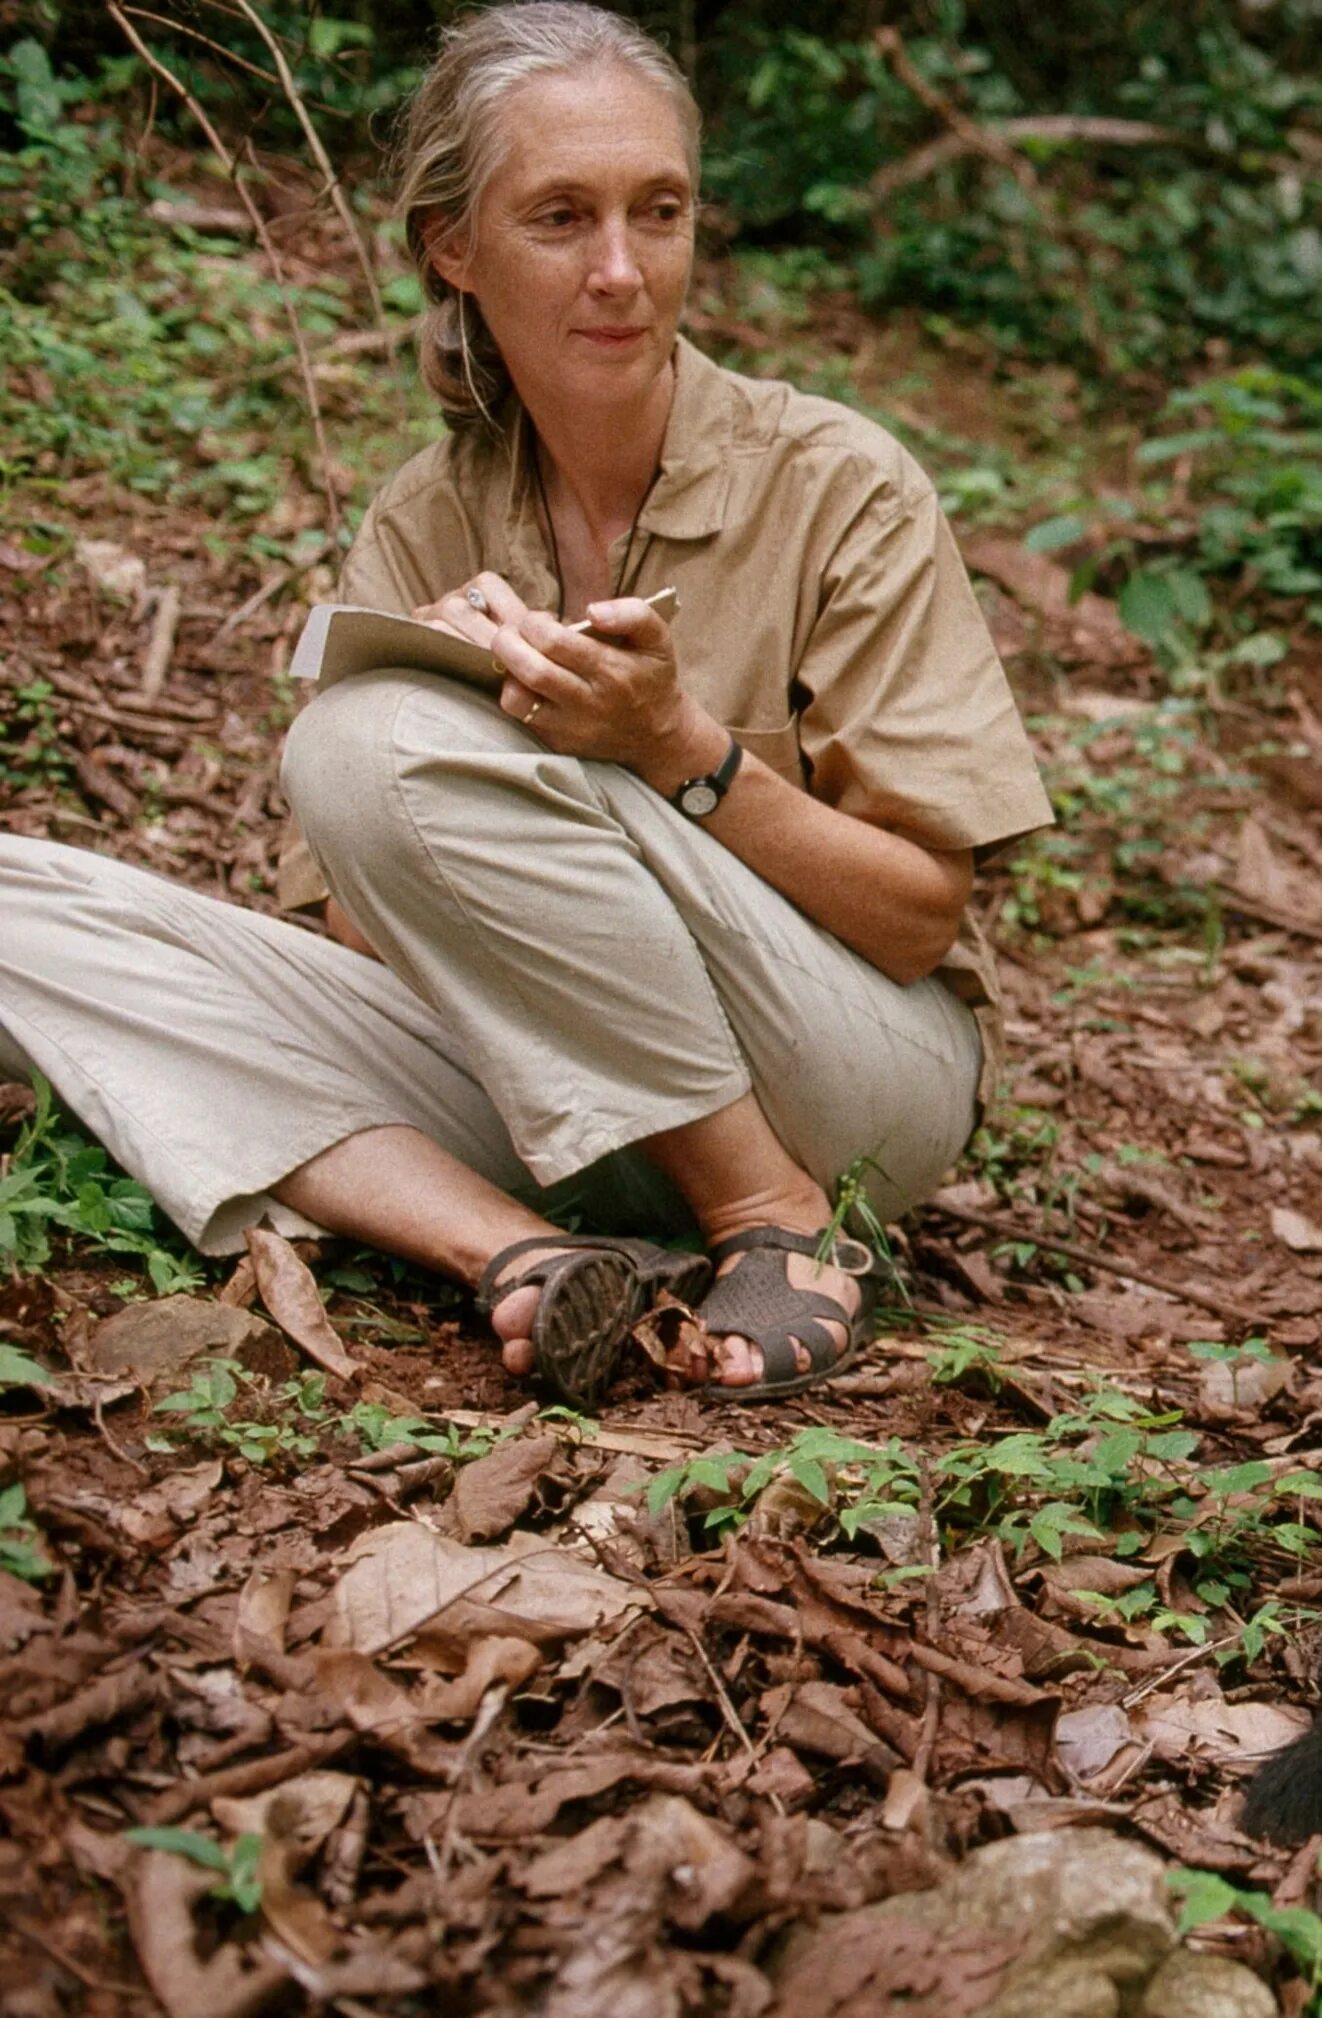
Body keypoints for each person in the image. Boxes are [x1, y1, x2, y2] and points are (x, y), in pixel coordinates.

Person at [0, 1, 1051, 1403]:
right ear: (455, 247)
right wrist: (459, 729)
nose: (622, 269)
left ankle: (773, 1219)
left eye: (657, 211)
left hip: (851, 1075)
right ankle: (523, 1253)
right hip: (560, 1091)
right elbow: (362, 939)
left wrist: (670, 748)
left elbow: (923, 914)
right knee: (27, 910)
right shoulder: (426, 515)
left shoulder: (839, 485)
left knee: (370, 735)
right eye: (561, 217)